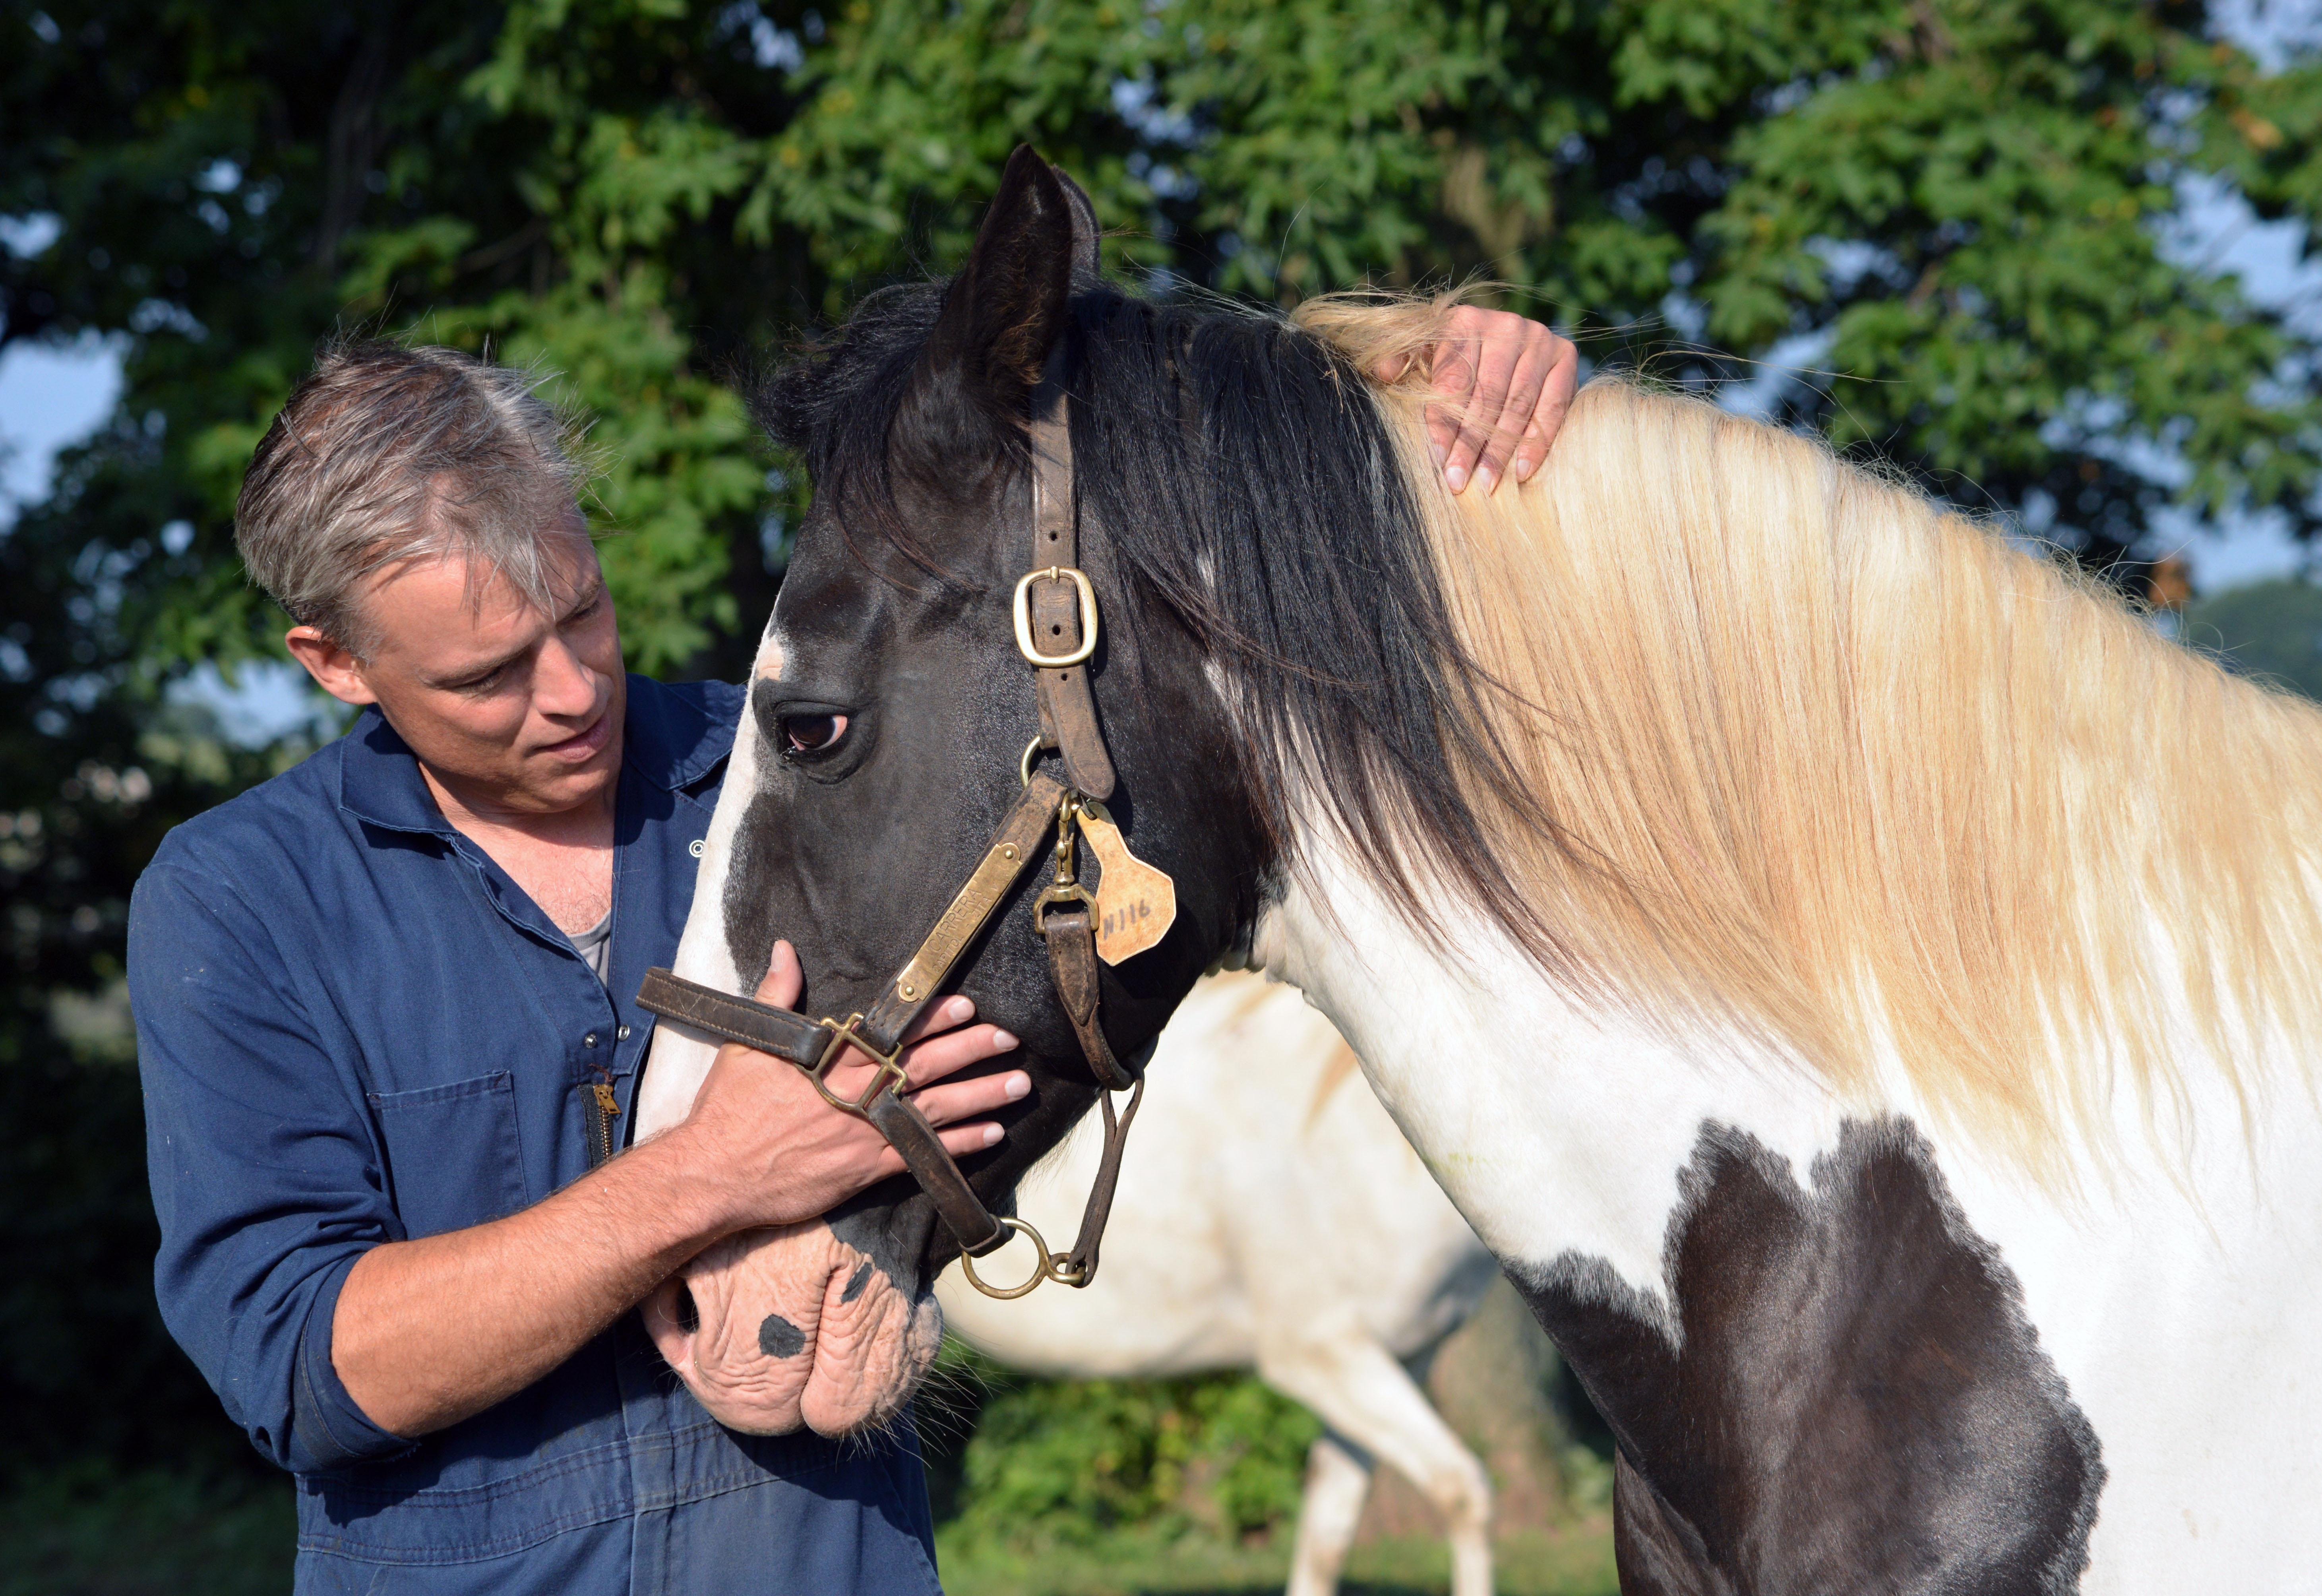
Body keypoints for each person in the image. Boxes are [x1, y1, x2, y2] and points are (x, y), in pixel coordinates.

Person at [128, 306, 1576, 1593]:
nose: (571, 691)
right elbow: (305, 1369)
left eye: (583, 611)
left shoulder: (811, 768)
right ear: (336, 662)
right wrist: (711, 1175)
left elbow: (1200, 690)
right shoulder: (242, 902)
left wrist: (1401, 392)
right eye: (489, 674)